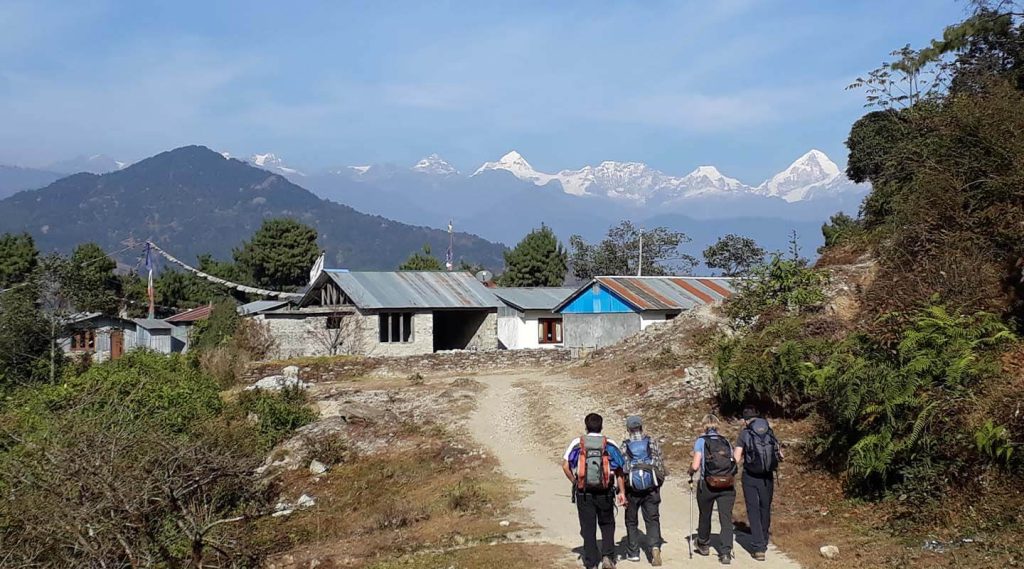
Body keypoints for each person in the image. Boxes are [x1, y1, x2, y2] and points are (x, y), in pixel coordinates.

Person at [562, 413, 628, 569]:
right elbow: (620, 470)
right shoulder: (609, 444)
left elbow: (565, 465)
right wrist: (622, 492)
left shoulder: (578, 443)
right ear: (601, 426)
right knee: (607, 524)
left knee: (587, 526)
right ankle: (608, 557)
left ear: (586, 426)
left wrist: (575, 482)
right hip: (605, 492)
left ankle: (591, 562)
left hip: (584, 492)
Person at [734, 406, 783, 562]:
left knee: (753, 509)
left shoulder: (745, 433)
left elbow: (736, 458)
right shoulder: (768, 431)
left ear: (746, 420)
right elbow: (779, 454)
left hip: (750, 476)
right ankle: (764, 538)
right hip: (767, 476)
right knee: (765, 508)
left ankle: (758, 547)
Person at [688, 413, 737, 565]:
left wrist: (690, 472)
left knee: (705, 514)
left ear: (704, 426)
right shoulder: (725, 441)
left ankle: (703, 544)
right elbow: (734, 461)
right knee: (726, 518)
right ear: (717, 425)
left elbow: (696, 465)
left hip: (708, 484)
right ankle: (726, 552)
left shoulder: (701, 441)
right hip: (727, 484)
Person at [621, 415, 666, 566]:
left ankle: (633, 552)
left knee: (631, 520)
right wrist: (657, 483)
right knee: (652, 519)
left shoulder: (625, 445)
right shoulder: (652, 442)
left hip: (632, 490)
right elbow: (659, 464)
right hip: (651, 488)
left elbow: (623, 469)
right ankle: (654, 547)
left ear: (628, 429)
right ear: (641, 427)